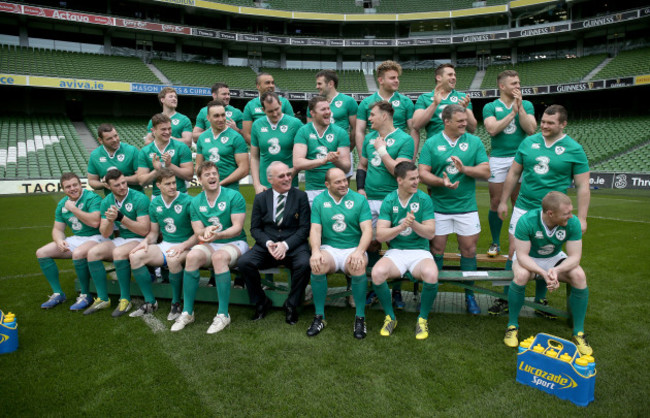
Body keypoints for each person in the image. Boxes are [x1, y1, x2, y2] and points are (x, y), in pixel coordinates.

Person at [496, 104, 590, 316]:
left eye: (550, 123)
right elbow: (513, 173)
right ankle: (504, 298)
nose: (544, 126)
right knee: (514, 253)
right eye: (543, 122)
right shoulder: (528, 142)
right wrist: (503, 201)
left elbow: (583, 186)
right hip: (524, 206)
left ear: (563, 124)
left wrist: (582, 218)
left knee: (547, 251)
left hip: (553, 213)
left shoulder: (574, 148)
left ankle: (540, 301)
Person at [418, 104, 490, 315]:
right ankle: (432, 292)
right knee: (436, 249)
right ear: (446, 121)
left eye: (465, 120)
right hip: (439, 207)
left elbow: (486, 171)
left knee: (469, 250)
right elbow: (423, 173)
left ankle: (470, 295)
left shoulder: (474, 141)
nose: (464, 123)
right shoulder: (432, 143)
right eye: (459, 121)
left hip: (466, 208)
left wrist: (464, 169)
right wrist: (442, 182)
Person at [503, 191, 592, 355]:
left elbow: (575, 257)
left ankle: (578, 332)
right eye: (566, 213)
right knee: (521, 275)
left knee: (579, 276)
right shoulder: (526, 221)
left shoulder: (572, 223)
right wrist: (543, 273)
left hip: (554, 258)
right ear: (550, 213)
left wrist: (556, 270)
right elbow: (521, 255)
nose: (571, 216)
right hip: (529, 258)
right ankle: (512, 326)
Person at [171, 161, 249, 333]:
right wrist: (205, 232)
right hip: (211, 242)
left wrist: (218, 235)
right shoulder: (196, 202)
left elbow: (237, 229)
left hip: (235, 242)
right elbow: (198, 231)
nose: (212, 176)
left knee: (219, 257)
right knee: (191, 257)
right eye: (207, 174)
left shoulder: (234, 196)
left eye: (214, 173)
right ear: (199, 179)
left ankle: (223, 314)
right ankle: (187, 312)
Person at [483, 70, 537, 315]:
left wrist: (520, 109)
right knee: (496, 201)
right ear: (502, 85)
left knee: (519, 202)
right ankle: (495, 242)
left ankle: (521, 242)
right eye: (514, 83)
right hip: (499, 158)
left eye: (519, 81)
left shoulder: (525, 103)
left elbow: (532, 129)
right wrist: (512, 113)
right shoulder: (491, 106)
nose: (518, 85)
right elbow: (492, 130)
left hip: (521, 157)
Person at [237, 161, 311, 325]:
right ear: (270, 180)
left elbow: (304, 229)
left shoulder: (300, 196)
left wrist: (285, 245)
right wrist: (269, 243)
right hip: (267, 247)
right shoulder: (261, 198)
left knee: (305, 264)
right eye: (281, 176)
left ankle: (291, 304)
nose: (287, 178)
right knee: (244, 262)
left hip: (294, 246)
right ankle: (261, 301)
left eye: (288, 174)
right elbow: (255, 229)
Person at [357, 100, 414, 308]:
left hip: (392, 200)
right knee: (371, 243)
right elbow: (362, 165)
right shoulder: (369, 138)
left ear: (384, 116)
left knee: (396, 244)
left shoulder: (405, 140)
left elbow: (400, 172)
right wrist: (361, 188)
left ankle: (396, 291)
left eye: (372, 115)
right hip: (369, 199)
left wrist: (382, 150)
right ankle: (374, 288)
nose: (369, 118)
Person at [372, 162, 439, 339]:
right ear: (400, 180)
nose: (417, 182)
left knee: (431, 275)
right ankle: (390, 317)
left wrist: (414, 223)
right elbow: (380, 235)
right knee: (377, 273)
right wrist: (401, 227)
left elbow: (430, 233)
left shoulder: (424, 199)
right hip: (397, 252)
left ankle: (422, 319)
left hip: (419, 252)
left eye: (417, 178)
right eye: (412, 179)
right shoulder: (389, 200)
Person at [307, 167, 372, 339]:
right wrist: (315, 251)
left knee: (357, 266)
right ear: (327, 184)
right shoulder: (320, 201)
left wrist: (359, 251)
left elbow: (367, 230)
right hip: (331, 249)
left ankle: (360, 318)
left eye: (345, 180)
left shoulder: (359, 199)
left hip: (353, 247)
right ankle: (319, 317)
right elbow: (315, 229)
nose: (344, 184)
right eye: (338, 182)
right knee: (317, 265)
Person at [128, 168, 196, 320]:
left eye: (174, 183)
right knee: (135, 256)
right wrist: (145, 242)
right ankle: (150, 302)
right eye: (168, 184)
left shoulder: (189, 201)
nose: (172, 186)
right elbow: (153, 233)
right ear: (158, 185)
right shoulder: (155, 203)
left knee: (173, 259)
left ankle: (176, 303)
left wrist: (182, 246)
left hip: (188, 245)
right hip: (166, 244)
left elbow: (198, 234)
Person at [84, 169, 151, 316]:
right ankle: (102, 298)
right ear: (108, 187)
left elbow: (144, 230)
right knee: (93, 253)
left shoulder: (139, 198)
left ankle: (125, 299)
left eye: (123, 183)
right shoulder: (106, 202)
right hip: (122, 239)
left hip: (140, 239)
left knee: (118, 252)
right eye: (117, 185)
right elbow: (105, 233)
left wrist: (121, 218)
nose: (122, 187)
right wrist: (109, 220)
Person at [36, 173, 106, 310]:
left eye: (75, 185)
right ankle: (58, 293)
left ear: (81, 184)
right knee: (42, 252)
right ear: (63, 189)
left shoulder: (92, 198)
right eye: (68, 187)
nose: (72, 188)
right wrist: (59, 240)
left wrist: (73, 209)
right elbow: (57, 229)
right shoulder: (62, 204)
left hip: (98, 237)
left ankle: (86, 294)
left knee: (78, 253)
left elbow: (94, 222)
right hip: (77, 238)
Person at [293, 95, 351, 206]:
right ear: (312, 113)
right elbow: (297, 162)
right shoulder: (303, 131)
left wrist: (335, 160)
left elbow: (347, 166)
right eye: (323, 109)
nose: (328, 112)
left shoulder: (340, 132)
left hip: (335, 190)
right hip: (312, 190)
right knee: (313, 223)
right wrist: (323, 160)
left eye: (328, 108)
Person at [355, 61, 419, 153]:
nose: (397, 80)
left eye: (397, 77)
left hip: (399, 151)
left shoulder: (406, 102)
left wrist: (412, 158)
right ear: (381, 80)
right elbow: (360, 131)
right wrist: (362, 157)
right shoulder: (366, 103)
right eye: (392, 78)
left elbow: (413, 130)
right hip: (374, 150)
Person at [250, 92, 303, 194]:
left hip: (289, 183)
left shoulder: (295, 124)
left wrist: (293, 171)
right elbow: (254, 157)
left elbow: (304, 154)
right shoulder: (257, 125)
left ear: (280, 104)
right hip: (266, 185)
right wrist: (257, 184)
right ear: (263, 110)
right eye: (270, 111)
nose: (274, 114)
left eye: (276, 109)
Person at [310, 69, 358, 176]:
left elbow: (356, 129)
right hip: (320, 152)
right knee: (321, 186)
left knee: (342, 187)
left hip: (341, 152)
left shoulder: (348, 101)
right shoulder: (314, 104)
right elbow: (310, 129)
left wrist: (347, 149)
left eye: (319, 83)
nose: (317, 87)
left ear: (330, 83)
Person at [195, 100, 249, 192]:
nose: (221, 119)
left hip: (230, 191)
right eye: (216, 116)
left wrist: (220, 184)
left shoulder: (236, 137)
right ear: (208, 118)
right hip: (209, 190)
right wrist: (205, 182)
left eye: (223, 115)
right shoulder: (202, 137)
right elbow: (198, 166)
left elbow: (244, 169)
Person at [412, 63, 477, 138]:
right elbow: (416, 125)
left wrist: (465, 109)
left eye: (454, 75)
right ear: (439, 77)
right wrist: (434, 104)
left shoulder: (463, 98)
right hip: (435, 145)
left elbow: (473, 128)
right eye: (450, 75)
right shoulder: (424, 98)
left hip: (458, 146)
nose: (454, 77)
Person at [137, 113, 194, 197]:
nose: (167, 132)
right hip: (157, 197)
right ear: (153, 130)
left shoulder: (182, 147)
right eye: (163, 129)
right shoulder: (145, 151)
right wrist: (157, 170)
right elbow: (142, 181)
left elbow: (189, 176)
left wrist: (170, 165)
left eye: (169, 129)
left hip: (180, 195)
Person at [87, 123, 142, 194]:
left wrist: (120, 180)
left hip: (135, 197)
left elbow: (142, 177)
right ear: (100, 140)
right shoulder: (95, 155)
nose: (115, 140)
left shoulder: (132, 151)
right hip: (111, 200)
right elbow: (92, 181)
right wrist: (104, 184)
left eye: (116, 136)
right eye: (109, 138)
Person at [242, 72, 295, 144]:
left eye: (272, 83)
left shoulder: (285, 102)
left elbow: (293, 128)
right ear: (258, 86)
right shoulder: (250, 105)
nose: (271, 85)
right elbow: (247, 134)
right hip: (261, 151)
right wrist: (262, 148)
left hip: (283, 148)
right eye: (267, 83)